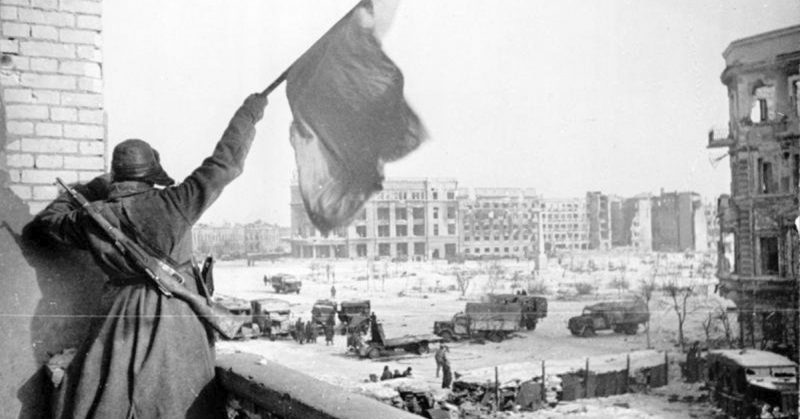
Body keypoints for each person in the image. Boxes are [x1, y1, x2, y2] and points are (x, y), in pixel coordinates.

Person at [27, 92, 269, 418]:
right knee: (178, 398)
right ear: (151, 173)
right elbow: (224, 163)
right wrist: (248, 114)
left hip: (117, 316)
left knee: (104, 398)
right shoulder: (175, 202)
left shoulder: (92, 217)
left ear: (117, 174)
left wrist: (95, 189)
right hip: (177, 315)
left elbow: (48, 222)